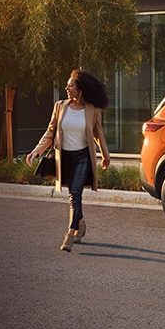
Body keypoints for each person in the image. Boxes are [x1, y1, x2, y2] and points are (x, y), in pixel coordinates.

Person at [26, 69, 111, 252]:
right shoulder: (60, 106)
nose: (66, 87)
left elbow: (98, 134)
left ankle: (70, 233)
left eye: (70, 85)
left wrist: (105, 155)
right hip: (64, 157)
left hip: (82, 157)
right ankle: (80, 223)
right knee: (73, 195)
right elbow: (50, 132)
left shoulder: (92, 110)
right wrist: (36, 151)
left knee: (75, 194)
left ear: (80, 89)